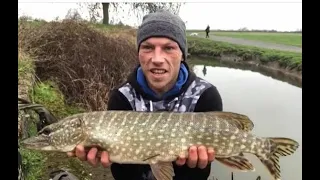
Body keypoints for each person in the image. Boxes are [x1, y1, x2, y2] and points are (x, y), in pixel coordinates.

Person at [67, 10, 223, 180]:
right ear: (138, 53)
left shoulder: (205, 95)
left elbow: (201, 171)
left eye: (169, 48)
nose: (157, 58)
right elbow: (124, 174)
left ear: (182, 55)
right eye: (148, 47)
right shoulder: (122, 97)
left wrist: (195, 166)